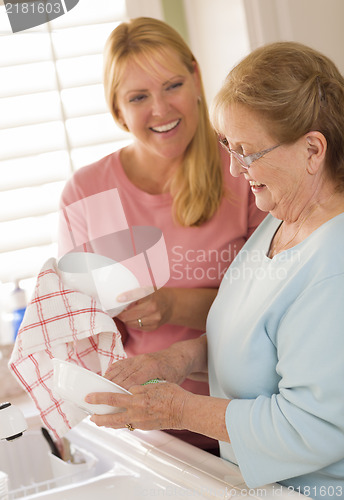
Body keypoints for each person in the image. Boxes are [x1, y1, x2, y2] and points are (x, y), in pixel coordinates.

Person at [85, 41, 344, 498]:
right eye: (228, 146)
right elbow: (257, 342)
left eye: (247, 151)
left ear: (312, 149)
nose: (234, 167)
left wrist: (181, 411)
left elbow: (313, 425)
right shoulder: (279, 220)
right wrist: (178, 358)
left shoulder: (333, 267)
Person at [58, 17, 264, 454]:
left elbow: (268, 309)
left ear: (196, 78)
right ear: (118, 110)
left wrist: (170, 305)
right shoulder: (85, 192)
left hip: (237, 417)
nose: (161, 110)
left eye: (172, 85)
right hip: (141, 429)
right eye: (138, 97)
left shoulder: (244, 171)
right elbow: (75, 327)